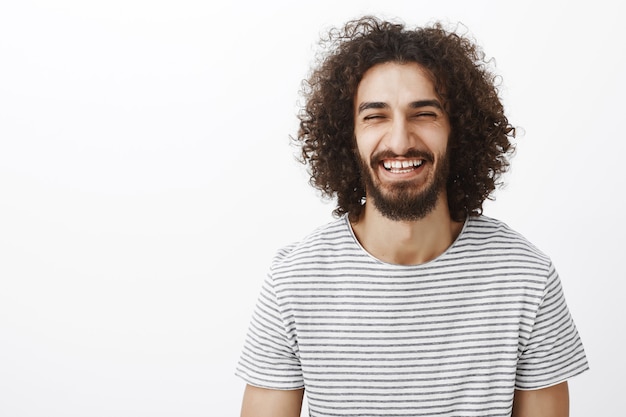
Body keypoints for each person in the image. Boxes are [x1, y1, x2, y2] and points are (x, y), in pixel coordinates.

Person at [236, 16, 588, 417]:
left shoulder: (526, 278)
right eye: (375, 116)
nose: (400, 141)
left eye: (424, 114)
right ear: (346, 136)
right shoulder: (293, 282)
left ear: (459, 131)